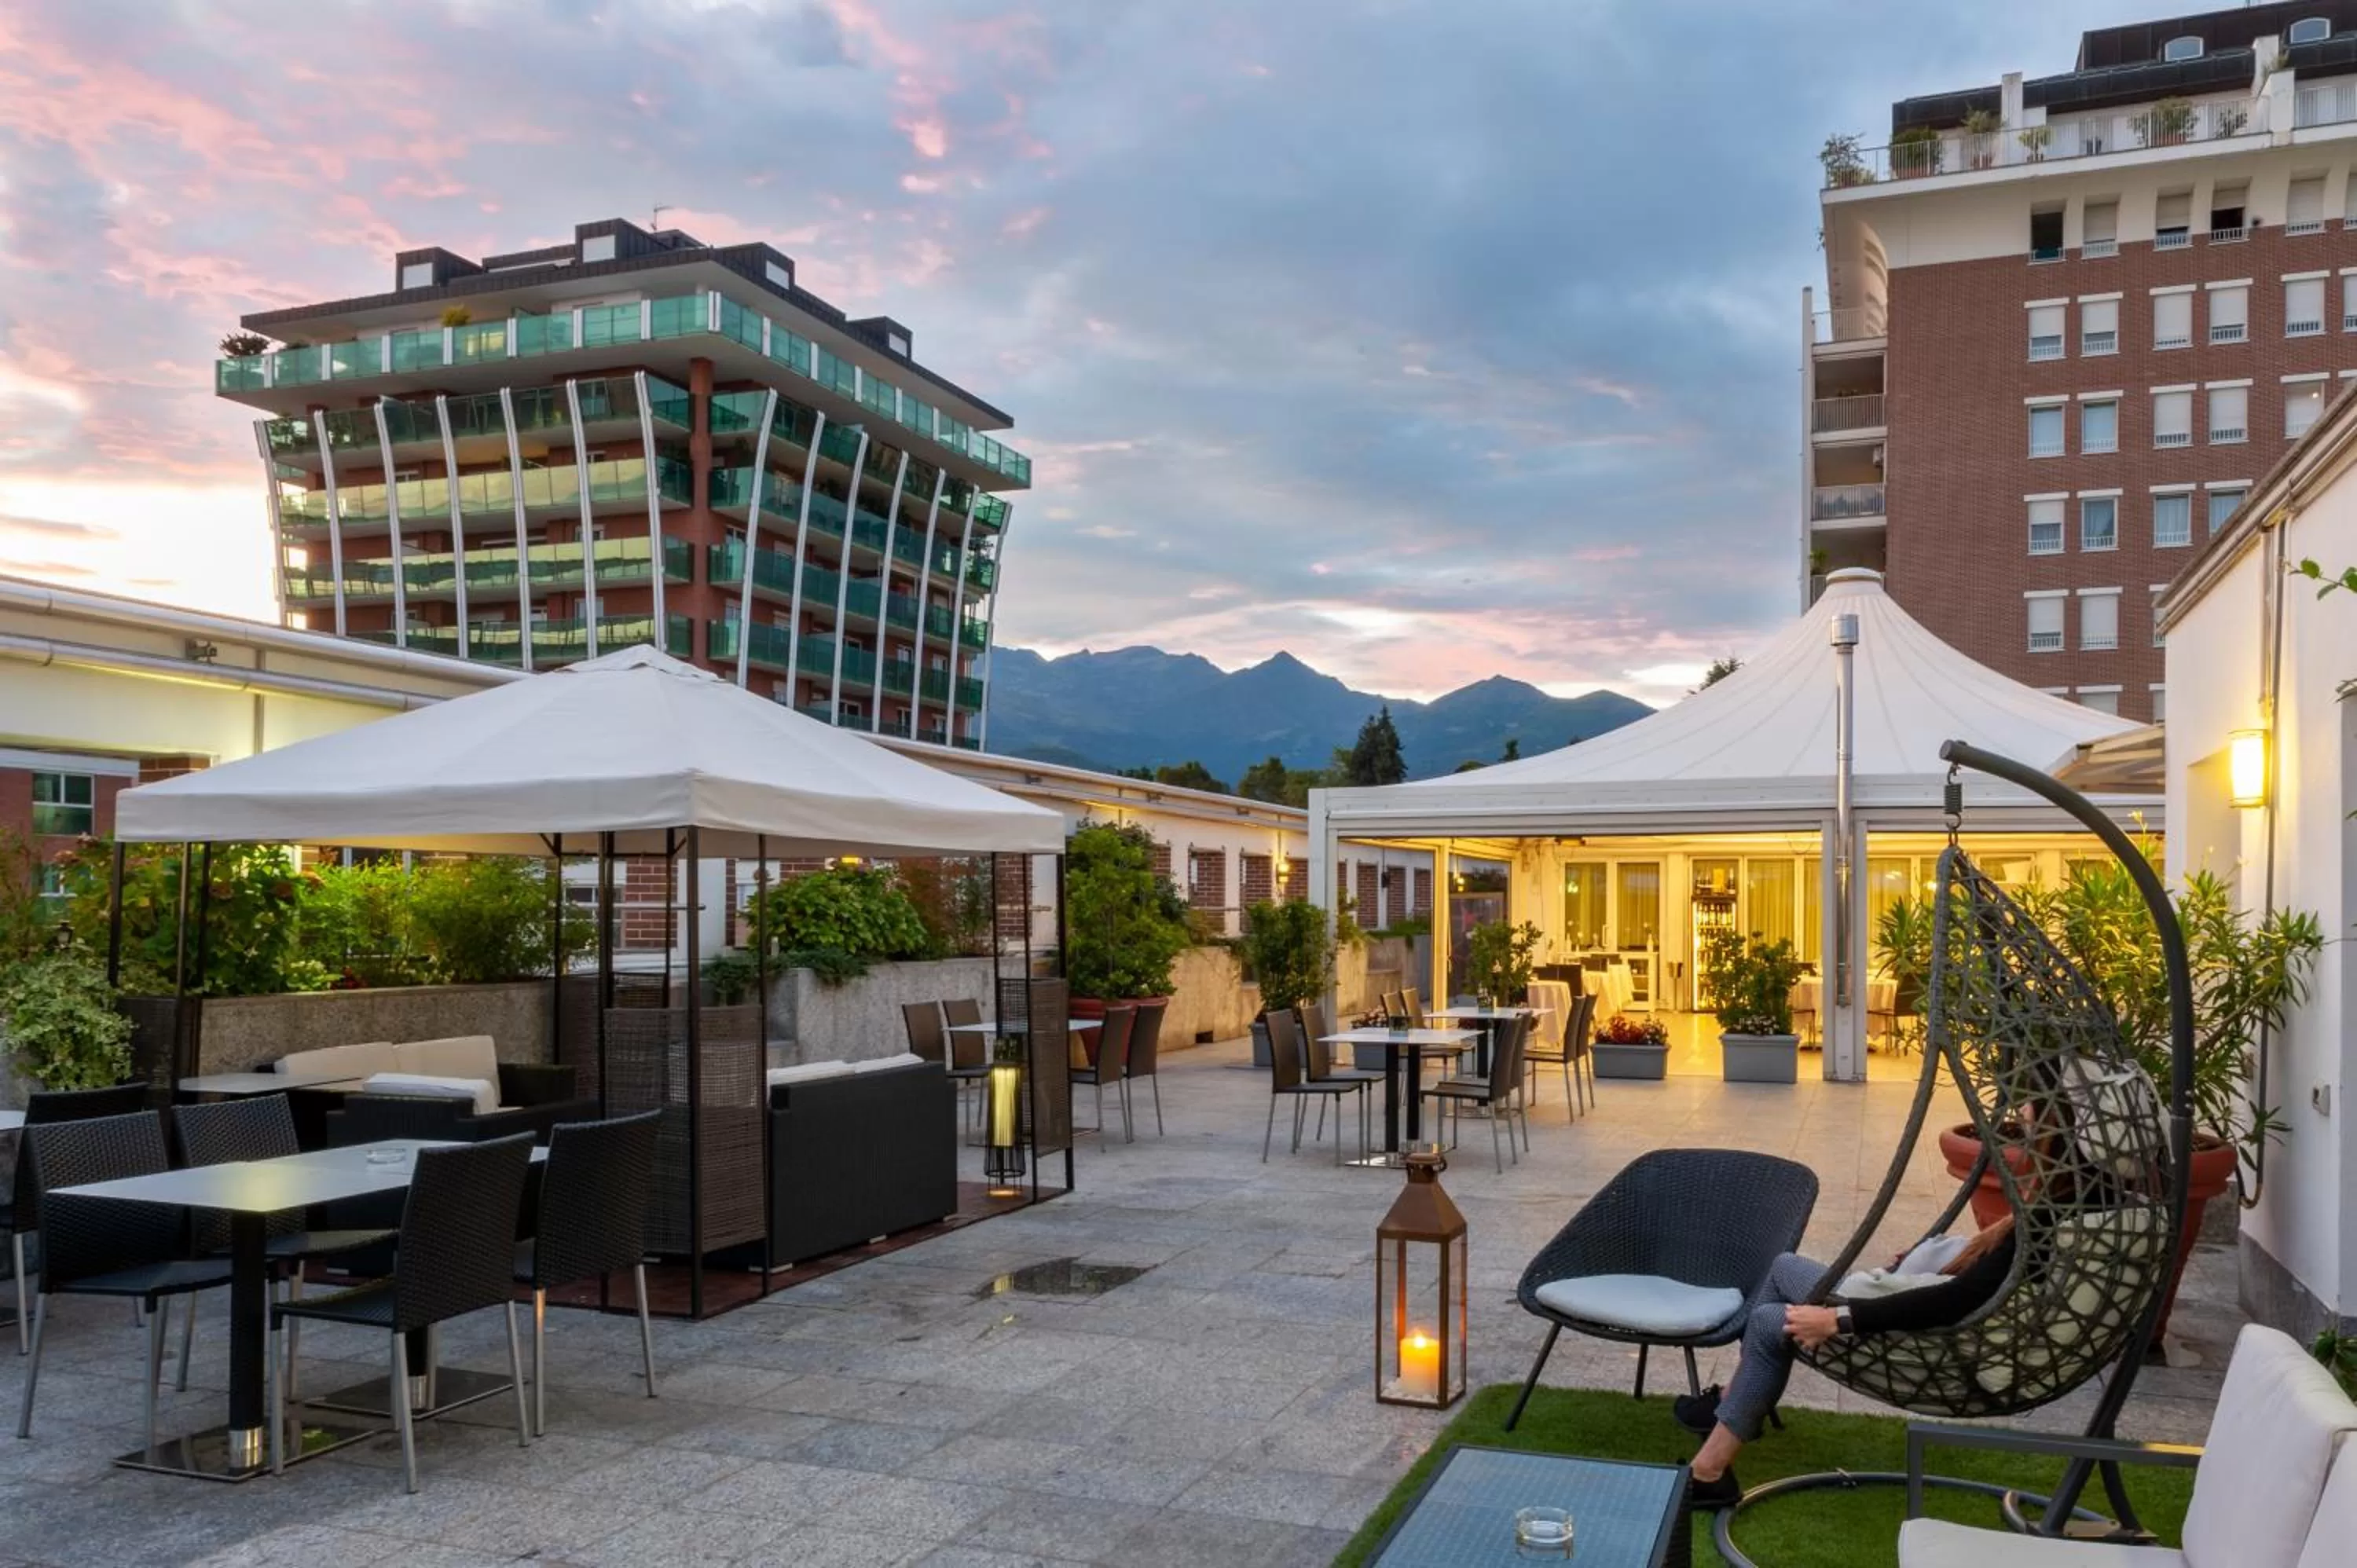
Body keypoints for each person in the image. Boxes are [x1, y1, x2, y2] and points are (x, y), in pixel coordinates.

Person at [1675, 1208, 2018, 1508]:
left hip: (1918, 1340)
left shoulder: (2036, 1227)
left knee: (1772, 1316)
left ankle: (1711, 1466)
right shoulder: (2047, 1222)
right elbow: (1973, 1285)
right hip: (1923, 1322)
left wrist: (1839, 1319)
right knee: (1783, 1271)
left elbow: (1955, 1300)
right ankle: (1729, 1407)